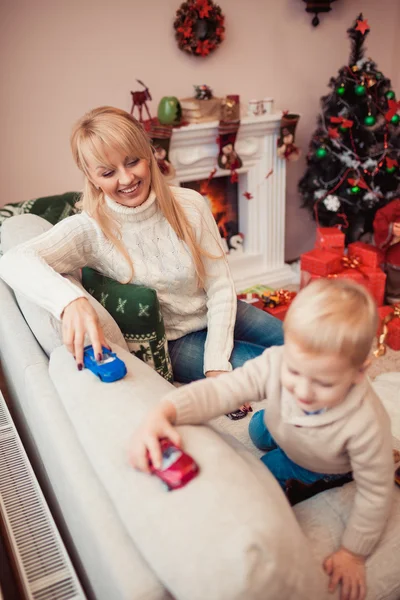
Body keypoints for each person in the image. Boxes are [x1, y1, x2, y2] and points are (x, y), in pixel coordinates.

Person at [0, 106, 283, 417]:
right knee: (281, 372)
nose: (126, 179)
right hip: (177, 340)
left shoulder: (190, 204)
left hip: (218, 311)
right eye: (108, 173)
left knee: (303, 346)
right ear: (91, 177)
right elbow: (14, 259)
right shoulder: (89, 229)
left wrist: (216, 361)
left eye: (133, 161)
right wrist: (70, 301)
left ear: (149, 154)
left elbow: (219, 285)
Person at [130, 278, 395, 600]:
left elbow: (376, 493)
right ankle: (275, 427)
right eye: (294, 373)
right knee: (257, 430)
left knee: (264, 475)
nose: (302, 391)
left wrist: (354, 553)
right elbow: (225, 389)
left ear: (359, 372)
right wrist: (168, 409)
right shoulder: (279, 362)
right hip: (280, 423)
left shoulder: (366, 423)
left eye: (324, 383)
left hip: (314, 459)